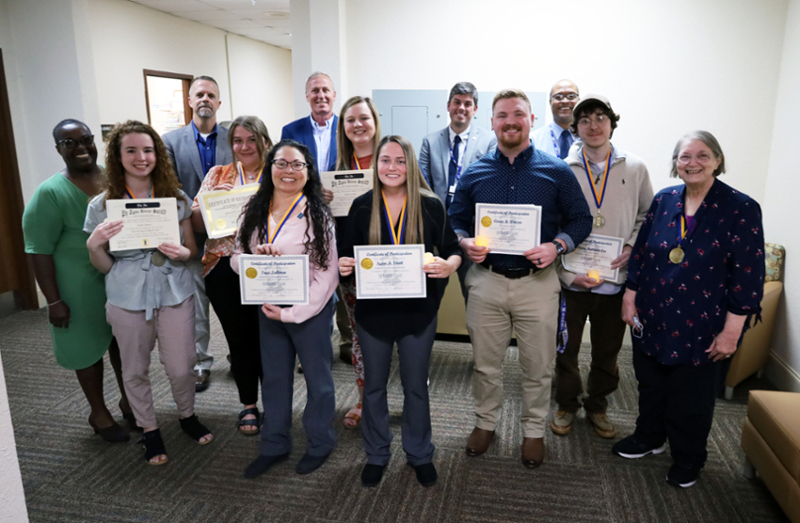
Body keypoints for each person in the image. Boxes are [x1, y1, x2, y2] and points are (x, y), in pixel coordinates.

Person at [449, 89, 592, 468]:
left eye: (518, 114)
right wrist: (464, 241)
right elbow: (455, 217)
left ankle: (533, 431)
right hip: (487, 279)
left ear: (531, 119)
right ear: (492, 121)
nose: (510, 121)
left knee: (538, 365)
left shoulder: (556, 171)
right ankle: (485, 423)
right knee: (486, 363)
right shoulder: (476, 171)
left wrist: (557, 246)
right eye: (502, 115)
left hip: (538, 282)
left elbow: (581, 220)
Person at [614, 131, 765, 488]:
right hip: (653, 314)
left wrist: (732, 331)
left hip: (704, 322)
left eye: (702, 155)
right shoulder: (665, 199)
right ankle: (649, 437)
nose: (692, 163)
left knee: (691, 397)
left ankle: (689, 457)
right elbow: (643, 252)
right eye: (684, 157)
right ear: (675, 163)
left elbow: (749, 273)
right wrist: (630, 295)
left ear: (717, 160)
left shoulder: (740, 208)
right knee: (651, 384)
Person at [84, 120, 214, 465]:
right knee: (134, 368)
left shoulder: (175, 198)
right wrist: (94, 245)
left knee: (182, 367)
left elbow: (191, 249)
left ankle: (187, 415)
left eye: (148, 150)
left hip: (175, 289)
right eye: (131, 150)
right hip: (127, 294)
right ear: (117, 156)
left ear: (157, 154)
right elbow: (102, 264)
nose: (141, 157)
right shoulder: (101, 205)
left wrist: (183, 253)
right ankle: (149, 429)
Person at [339, 135, 461, 488]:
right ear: (375, 166)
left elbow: (453, 250)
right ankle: (377, 453)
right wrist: (345, 263)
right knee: (373, 388)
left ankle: (420, 453)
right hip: (373, 315)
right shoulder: (362, 206)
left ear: (410, 165)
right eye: (384, 161)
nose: (392, 168)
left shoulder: (430, 205)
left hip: (417, 314)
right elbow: (346, 256)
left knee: (415, 387)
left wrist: (449, 266)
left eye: (399, 161)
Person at [22, 119, 132, 443]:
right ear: (58, 149)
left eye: (85, 139)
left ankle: (129, 401)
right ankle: (98, 413)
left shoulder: (114, 178)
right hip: (75, 286)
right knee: (86, 349)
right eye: (69, 143)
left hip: (116, 276)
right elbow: (37, 250)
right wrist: (54, 301)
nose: (81, 147)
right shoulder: (50, 193)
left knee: (122, 344)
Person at [233, 140, 339, 478]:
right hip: (269, 305)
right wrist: (253, 262)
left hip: (309, 308)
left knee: (318, 380)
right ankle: (275, 444)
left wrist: (294, 313)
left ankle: (320, 442)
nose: (288, 171)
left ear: (308, 173)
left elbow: (328, 272)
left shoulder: (317, 214)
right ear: (270, 168)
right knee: (276, 379)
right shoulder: (253, 206)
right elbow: (236, 256)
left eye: (297, 165)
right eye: (281, 163)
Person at [551, 95, 653, 439]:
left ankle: (597, 405)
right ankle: (567, 403)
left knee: (607, 352)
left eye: (600, 118)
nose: (593, 126)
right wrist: (566, 272)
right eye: (584, 120)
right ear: (575, 127)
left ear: (612, 122)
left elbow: (647, 217)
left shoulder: (635, 167)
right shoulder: (561, 169)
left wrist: (631, 245)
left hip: (616, 277)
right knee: (565, 349)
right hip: (572, 279)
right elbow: (553, 224)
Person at [190, 115, 272, 435]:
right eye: (238, 140)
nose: (245, 146)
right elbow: (197, 224)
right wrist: (212, 208)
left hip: (266, 265)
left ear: (265, 141)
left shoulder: (277, 173)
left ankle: (276, 403)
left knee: (270, 338)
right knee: (239, 338)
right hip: (222, 266)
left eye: (252, 139)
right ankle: (248, 404)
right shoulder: (217, 174)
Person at [163, 75, 233, 392]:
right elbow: (169, 186)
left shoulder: (236, 137)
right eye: (199, 94)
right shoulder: (171, 141)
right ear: (190, 101)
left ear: (219, 102)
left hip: (232, 237)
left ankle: (239, 354)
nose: (205, 99)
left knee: (236, 300)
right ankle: (201, 363)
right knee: (196, 303)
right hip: (191, 234)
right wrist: (194, 217)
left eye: (211, 95)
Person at [419, 82, 496, 300]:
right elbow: (422, 184)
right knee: (431, 290)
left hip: (471, 230)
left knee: (474, 293)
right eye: (457, 102)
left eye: (467, 103)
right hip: (438, 228)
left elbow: (488, 184)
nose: (461, 108)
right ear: (448, 105)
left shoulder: (489, 140)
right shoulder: (430, 141)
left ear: (475, 109)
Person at [332, 96, 382, 429]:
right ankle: (365, 399)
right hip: (352, 268)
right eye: (350, 120)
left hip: (391, 266)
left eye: (364, 118)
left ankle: (410, 393)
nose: (358, 125)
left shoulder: (394, 159)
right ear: (343, 128)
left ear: (375, 122)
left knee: (403, 334)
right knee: (361, 337)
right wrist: (323, 201)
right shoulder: (336, 169)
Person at [281, 72, 339, 173]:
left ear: (334, 95)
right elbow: (284, 168)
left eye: (326, 90)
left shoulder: (347, 129)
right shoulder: (290, 131)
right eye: (315, 91)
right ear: (307, 96)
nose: (321, 96)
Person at [531, 79, 580, 159]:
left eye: (571, 96)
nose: (565, 101)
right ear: (550, 102)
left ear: (579, 101)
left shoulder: (590, 139)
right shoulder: (534, 141)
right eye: (558, 97)